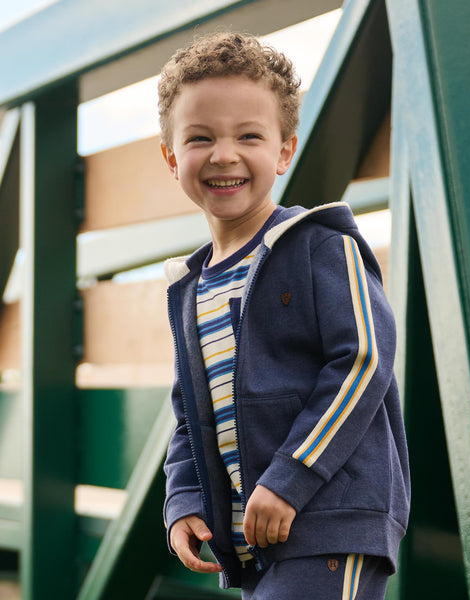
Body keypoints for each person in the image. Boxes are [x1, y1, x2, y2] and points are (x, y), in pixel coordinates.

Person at [158, 32, 410, 600]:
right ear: (172, 157)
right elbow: (187, 416)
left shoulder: (320, 246)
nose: (224, 154)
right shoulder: (190, 288)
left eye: (249, 135)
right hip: (255, 539)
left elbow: (365, 360)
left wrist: (292, 476)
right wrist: (185, 501)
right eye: (200, 138)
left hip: (329, 518)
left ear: (285, 150)